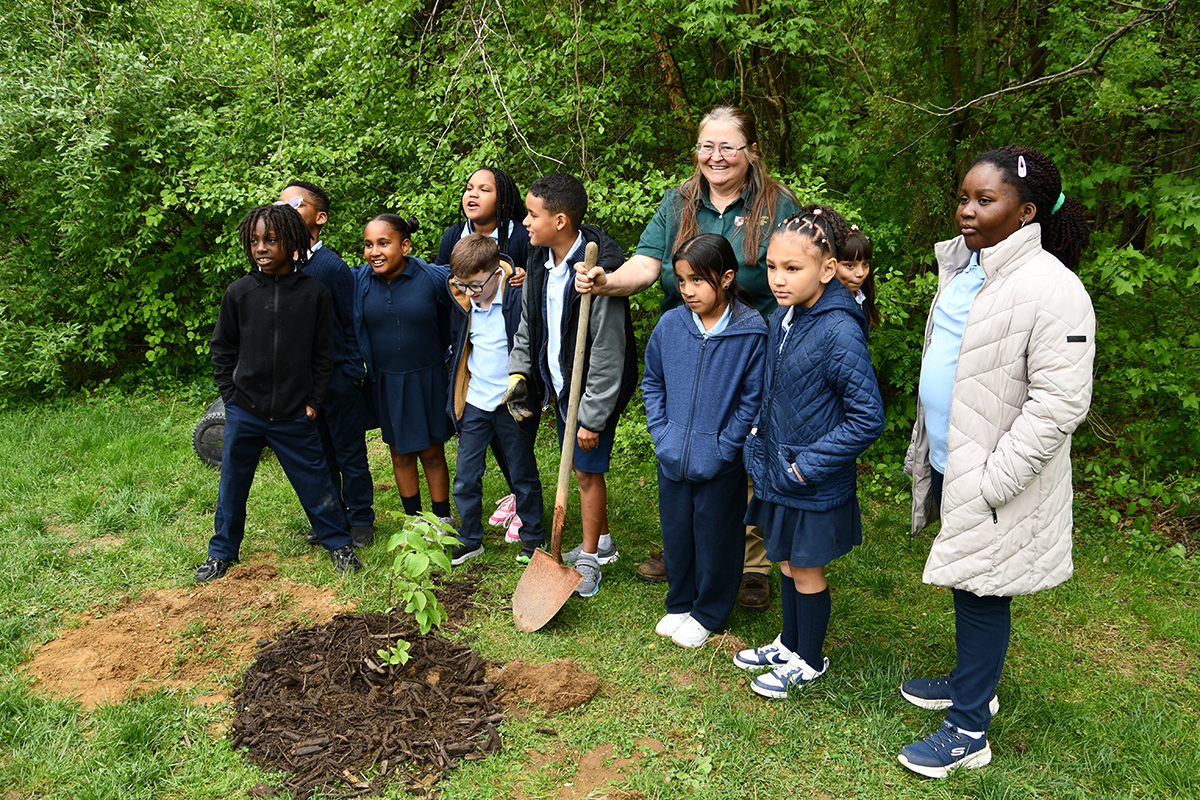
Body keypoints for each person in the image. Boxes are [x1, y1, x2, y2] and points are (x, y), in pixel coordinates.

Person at [897, 146, 1094, 777]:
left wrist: (992, 479)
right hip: (959, 461)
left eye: (987, 200)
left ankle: (969, 729)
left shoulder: (1052, 288)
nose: (968, 211)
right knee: (969, 575)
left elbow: (1060, 404)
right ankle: (968, 680)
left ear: (1026, 211)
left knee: (984, 587)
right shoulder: (968, 268)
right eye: (963, 197)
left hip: (998, 475)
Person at [575, 105, 799, 610]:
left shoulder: (777, 205)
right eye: (706, 146)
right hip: (686, 344)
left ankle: (751, 563)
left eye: (728, 147)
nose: (715, 157)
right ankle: (687, 553)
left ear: (751, 152)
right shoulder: (678, 201)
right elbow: (647, 265)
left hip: (750, 342)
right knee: (688, 437)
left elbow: (797, 267)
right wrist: (607, 282)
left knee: (744, 445)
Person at [731, 205, 884, 697]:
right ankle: (789, 642)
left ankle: (809, 660)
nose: (778, 279)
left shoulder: (839, 329)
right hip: (779, 466)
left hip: (809, 475)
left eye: (792, 269)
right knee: (785, 560)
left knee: (807, 568)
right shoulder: (784, 314)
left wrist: (805, 465)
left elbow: (867, 418)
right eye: (772, 267)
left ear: (827, 268)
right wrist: (760, 443)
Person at [196, 203, 361, 582]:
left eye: (271, 239)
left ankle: (339, 544)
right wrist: (231, 395)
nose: (261, 248)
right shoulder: (238, 292)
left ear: (294, 241)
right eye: (254, 241)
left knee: (316, 481)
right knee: (232, 484)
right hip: (245, 411)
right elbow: (222, 347)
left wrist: (312, 402)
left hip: (294, 413)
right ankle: (221, 553)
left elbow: (324, 354)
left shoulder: (314, 293)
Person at [505, 174, 637, 597]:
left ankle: (588, 558)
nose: (524, 221)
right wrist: (519, 373)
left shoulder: (598, 274)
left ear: (560, 221)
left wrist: (593, 417)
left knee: (585, 472)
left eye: (532, 214)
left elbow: (608, 354)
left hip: (592, 392)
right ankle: (602, 540)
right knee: (582, 469)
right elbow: (529, 324)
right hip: (561, 388)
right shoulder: (540, 260)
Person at [643, 234, 767, 649]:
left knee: (717, 536)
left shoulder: (751, 331)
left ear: (727, 278)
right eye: (681, 281)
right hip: (672, 454)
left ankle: (709, 611)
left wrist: (724, 445)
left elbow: (752, 399)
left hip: (720, 461)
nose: (688, 291)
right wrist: (662, 433)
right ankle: (680, 601)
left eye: (698, 280)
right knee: (677, 533)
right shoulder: (670, 325)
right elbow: (653, 382)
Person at [278, 181, 376, 549]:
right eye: (280, 203)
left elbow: (350, 321)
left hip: (337, 376)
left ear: (318, 218)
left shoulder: (331, 266)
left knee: (349, 451)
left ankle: (361, 519)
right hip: (304, 382)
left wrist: (352, 370)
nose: (285, 210)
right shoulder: (283, 265)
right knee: (317, 454)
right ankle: (329, 519)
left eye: (296, 204)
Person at [436, 166, 530, 543]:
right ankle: (511, 498)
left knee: (511, 436)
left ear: (503, 200)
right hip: (471, 352)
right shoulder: (452, 236)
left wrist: (522, 277)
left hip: (507, 351)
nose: (472, 194)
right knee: (481, 431)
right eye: (469, 187)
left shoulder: (520, 235)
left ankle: (522, 501)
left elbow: (528, 279)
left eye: (484, 189)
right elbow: (447, 289)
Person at [445, 233, 545, 565]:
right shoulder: (461, 298)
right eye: (463, 284)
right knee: (466, 474)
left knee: (521, 471)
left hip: (510, 401)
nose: (469, 292)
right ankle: (470, 537)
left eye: (476, 285)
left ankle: (532, 536)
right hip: (475, 400)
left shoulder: (518, 293)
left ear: (496, 271)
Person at [352, 214, 455, 526]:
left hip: (428, 377)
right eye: (369, 245)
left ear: (405, 245)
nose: (375, 251)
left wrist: (511, 271)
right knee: (400, 453)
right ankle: (414, 518)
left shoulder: (431, 277)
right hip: (385, 380)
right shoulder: (360, 282)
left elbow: (476, 280)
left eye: (384, 243)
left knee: (432, 452)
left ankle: (441, 517)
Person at [836, 225, 881, 330]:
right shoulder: (828, 308)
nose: (860, 273)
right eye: (850, 266)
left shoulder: (861, 297)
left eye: (865, 264)